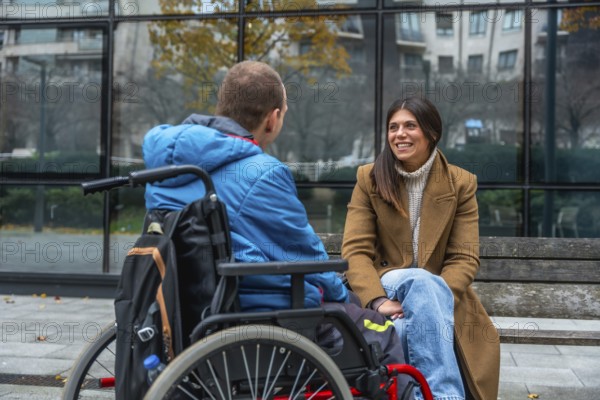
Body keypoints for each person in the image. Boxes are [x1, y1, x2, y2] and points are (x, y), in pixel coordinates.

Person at [141, 61, 415, 397]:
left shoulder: (167, 169)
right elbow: (304, 255)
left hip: (192, 313)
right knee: (381, 332)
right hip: (260, 315)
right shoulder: (262, 173)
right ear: (272, 118)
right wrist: (351, 298)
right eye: (283, 112)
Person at [341, 96, 501, 400]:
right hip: (385, 286)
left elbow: (464, 258)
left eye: (410, 126)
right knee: (418, 279)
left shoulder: (461, 184)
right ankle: (444, 396)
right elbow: (356, 251)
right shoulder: (369, 178)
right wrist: (377, 301)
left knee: (411, 315)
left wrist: (429, 301)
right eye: (393, 127)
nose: (399, 134)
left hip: (440, 293)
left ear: (432, 133)